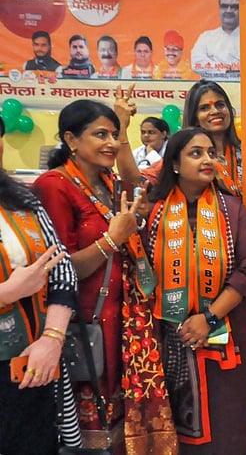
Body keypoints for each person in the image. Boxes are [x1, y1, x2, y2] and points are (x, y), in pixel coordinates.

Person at [32, 100, 177, 453]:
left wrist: (129, 227)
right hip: (84, 324)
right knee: (85, 434)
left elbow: (139, 191)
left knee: (117, 431)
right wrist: (113, 239)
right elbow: (58, 269)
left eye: (114, 135)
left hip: (122, 322)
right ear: (71, 139)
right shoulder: (54, 186)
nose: (112, 143)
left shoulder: (107, 180)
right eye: (101, 135)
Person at [145, 128, 246, 454]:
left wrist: (208, 318)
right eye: (196, 153)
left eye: (211, 153)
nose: (208, 159)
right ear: (175, 164)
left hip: (223, 330)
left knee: (226, 422)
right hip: (170, 336)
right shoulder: (152, 211)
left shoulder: (232, 210)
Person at [0, 116, 78, 455]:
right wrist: (8, 293)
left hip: (29, 364)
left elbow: (62, 271)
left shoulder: (22, 201)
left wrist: (52, 338)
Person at [118, 80, 242, 199]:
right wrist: (122, 126)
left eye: (220, 105)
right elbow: (134, 180)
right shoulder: (183, 155)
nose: (215, 111)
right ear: (194, 116)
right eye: (204, 108)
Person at [191, 0, 240, 80]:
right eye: (224, 6)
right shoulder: (206, 37)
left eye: (234, 7)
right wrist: (227, 68)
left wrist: (212, 62)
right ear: (219, 8)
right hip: (212, 87)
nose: (229, 10)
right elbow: (196, 64)